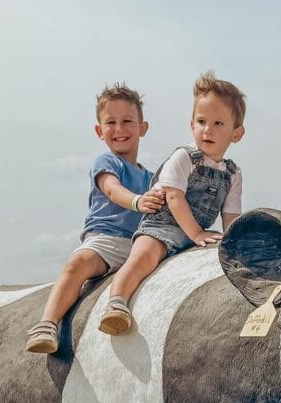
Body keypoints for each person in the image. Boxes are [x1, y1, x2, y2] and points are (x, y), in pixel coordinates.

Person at [98, 71, 245, 336]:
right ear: (192, 126)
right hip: (162, 225)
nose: (207, 130)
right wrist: (198, 233)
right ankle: (116, 302)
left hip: (192, 235)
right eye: (201, 121)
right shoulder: (184, 157)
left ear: (237, 133)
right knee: (144, 256)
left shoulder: (233, 173)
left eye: (218, 123)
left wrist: (233, 238)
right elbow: (175, 198)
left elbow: (231, 213)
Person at [25, 84, 165, 354]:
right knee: (78, 263)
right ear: (99, 131)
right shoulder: (107, 162)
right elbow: (112, 189)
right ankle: (48, 323)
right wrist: (138, 201)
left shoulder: (151, 177)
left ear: (142, 128)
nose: (119, 129)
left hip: (141, 245)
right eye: (110, 122)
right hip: (106, 241)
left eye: (127, 121)